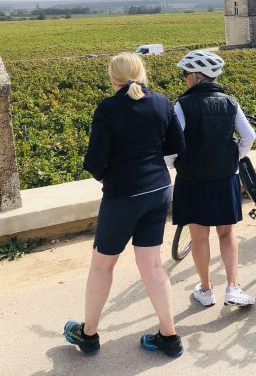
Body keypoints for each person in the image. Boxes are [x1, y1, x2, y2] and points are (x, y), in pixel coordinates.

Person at [65, 53, 185, 357]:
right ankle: (169, 337)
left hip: (123, 196)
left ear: (113, 77)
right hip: (158, 190)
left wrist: (110, 175)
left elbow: (94, 161)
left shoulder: (107, 109)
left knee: (103, 265)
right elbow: (177, 146)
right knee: (152, 265)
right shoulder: (162, 102)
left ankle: (88, 335)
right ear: (142, 72)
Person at [171, 50, 256, 308]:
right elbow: (248, 137)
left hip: (193, 179)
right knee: (227, 233)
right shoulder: (231, 102)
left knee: (199, 237)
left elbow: (173, 145)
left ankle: (207, 290)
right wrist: (233, 160)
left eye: (186, 74)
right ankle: (233, 287)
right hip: (224, 177)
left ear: (197, 76)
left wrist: (177, 164)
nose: (184, 78)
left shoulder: (182, 104)